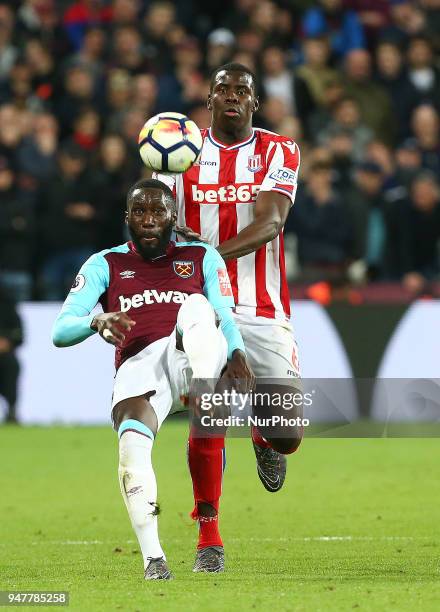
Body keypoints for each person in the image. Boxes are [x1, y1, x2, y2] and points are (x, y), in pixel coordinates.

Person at [52, 178, 254, 580]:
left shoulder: (201, 255)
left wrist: (237, 352)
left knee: (196, 306)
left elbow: (222, 314)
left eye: (157, 211)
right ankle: (154, 560)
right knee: (131, 442)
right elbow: (60, 330)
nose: (148, 220)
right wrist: (97, 320)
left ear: (172, 217)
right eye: (139, 211)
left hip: (189, 352)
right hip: (139, 367)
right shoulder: (104, 263)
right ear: (127, 217)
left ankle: (210, 537)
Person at [156, 62, 303, 571]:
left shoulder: (279, 150)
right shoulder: (179, 153)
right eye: (224, 89)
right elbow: (156, 227)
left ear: (255, 103)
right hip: (202, 305)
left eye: (244, 90)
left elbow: (271, 222)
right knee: (209, 412)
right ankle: (209, 536)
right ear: (210, 97)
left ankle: (265, 437)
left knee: (288, 434)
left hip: (262, 307)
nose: (233, 96)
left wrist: (211, 253)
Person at [0, 285, 23, 424]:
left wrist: (7, 342)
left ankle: (11, 410)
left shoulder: (7, 306)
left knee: (11, 365)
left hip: (5, 356)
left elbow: (19, 335)